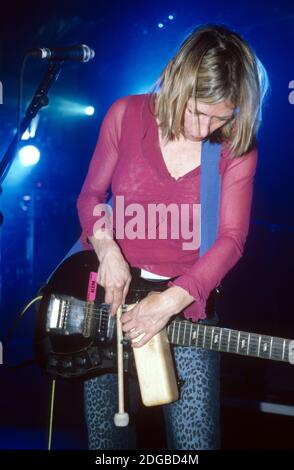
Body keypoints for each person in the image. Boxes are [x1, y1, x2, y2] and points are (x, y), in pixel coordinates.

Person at [76, 23, 269, 450]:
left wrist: (165, 304)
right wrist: (107, 248)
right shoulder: (125, 114)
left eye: (222, 116)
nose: (207, 128)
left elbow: (232, 239)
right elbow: (91, 197)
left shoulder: (236, 145)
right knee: (106, 446)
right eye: (199, 112)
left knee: (194, 446)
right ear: (179, 82)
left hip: (185, 307)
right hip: (110, 303)